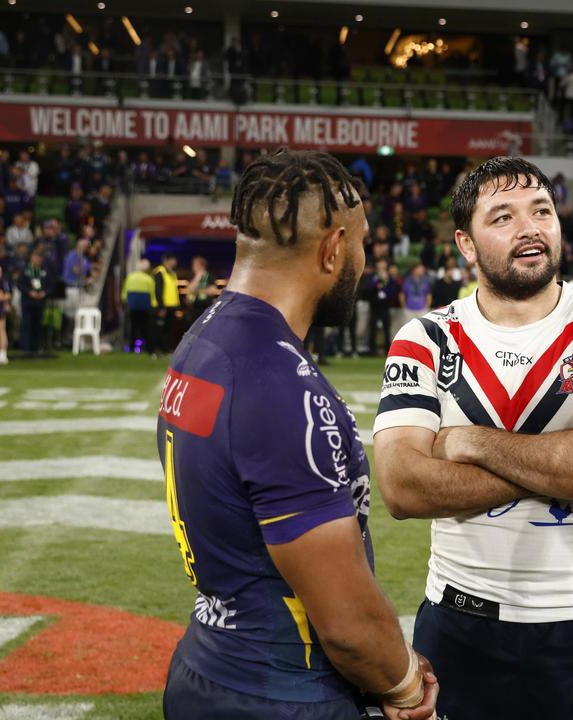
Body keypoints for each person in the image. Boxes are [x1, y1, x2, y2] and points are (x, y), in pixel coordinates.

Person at [373, 157, 573, 720]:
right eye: (502, 216)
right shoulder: (426, 337)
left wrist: (469, 442)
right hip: (458, 625)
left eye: (542, 211)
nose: (530, 227)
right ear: (466, 243)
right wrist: (560, 465)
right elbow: (402, 487)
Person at [158, 149, 439, 720]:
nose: (362, 259)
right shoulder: (277, 380)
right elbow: (348, 625)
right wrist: (407, 686)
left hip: (208, 663)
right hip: (282, 691)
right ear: (333, 249)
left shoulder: (204, 339)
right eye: (360, 243)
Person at [19, 249, 51, 355]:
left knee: (38, 325)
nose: (36, 260)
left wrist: (44, 292)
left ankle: (35, 348)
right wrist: (29, 292)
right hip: (28, 302)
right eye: (34, 257)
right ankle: (25, 348)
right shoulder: (25, 270)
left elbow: (51, 284)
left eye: (38, 258)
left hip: (40, 302)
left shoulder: (44, 270)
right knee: (26, 324)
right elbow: (20, 284)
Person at [123, 258, 156, 354]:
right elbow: (152, 295)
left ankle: (132, 348)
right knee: (146, 329)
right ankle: (148, 349)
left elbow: (124, 294)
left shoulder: (130, 277)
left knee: (133, 328)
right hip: (145, 307)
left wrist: (127, 302)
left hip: (132, 307)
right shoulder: (149, 279)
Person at [152, 252, 181, 353]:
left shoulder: (172, 273)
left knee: (169, 329)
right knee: (160, 328)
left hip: (171, 306)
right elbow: (158, 290)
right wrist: (161, 307)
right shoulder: (160, 272)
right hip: (162, 306)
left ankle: (165, 349)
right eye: (173, 260)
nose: (175, 262)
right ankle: (156, 349)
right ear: (166, 260)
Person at [187, 256, 219, 324]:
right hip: (194, 309)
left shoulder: (209, 276)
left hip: (207, 308)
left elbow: (212, 291)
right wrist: (197, 277)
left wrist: (197, 291)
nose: (192, 267)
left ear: (201, 265)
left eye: (194, 265)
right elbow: (190, 290)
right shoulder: (192, 276)